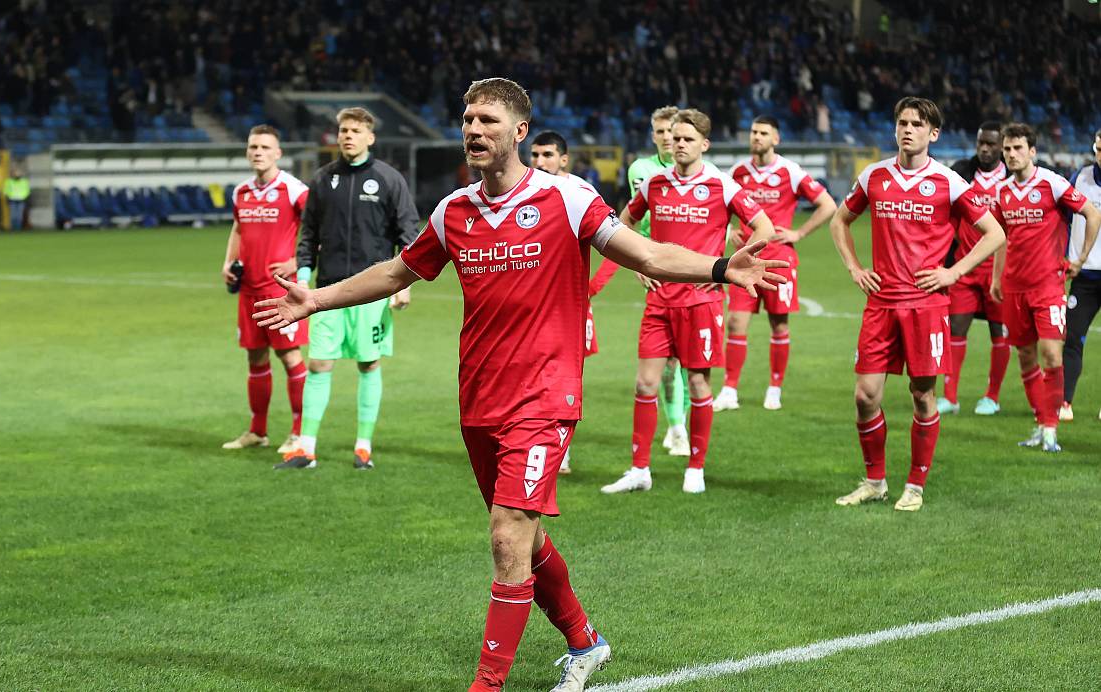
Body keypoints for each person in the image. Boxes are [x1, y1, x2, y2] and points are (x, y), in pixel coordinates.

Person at [251, 76, 786, 692]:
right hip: (479, 397)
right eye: (467, 119)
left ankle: (488, 683)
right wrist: (315, 299)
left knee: (507, 533)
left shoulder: (568, 198)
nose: (473, 130)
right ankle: (585, 642)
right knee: (525, 539)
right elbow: (401, 269)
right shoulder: (453, 212)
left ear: (520, 131)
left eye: (487, 121)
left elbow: (646, 255)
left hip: (545, 394)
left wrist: (721, 268)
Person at [830, 96, 1005, 512]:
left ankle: (915, 484)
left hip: (926, 306)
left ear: (933, 133)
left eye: (917, 124)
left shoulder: (950, 182)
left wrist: (953, 273)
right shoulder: (874, 176)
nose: (908, 129)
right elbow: (840, 221)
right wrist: (855, 268)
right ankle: (875, 481)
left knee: (922, 396)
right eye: (902, 123)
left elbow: (995, 234)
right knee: (864, 396)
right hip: (881, 304)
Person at [601, 108, 774, 496]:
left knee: (697, 384)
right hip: (659, 301)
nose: (677, 144)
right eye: (674, 138)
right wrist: (636, 264)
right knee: (645, 382)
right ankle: (639, 469)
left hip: (701, 301)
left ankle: (695, 467)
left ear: (704, 145)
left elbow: (764, 226)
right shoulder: (654, 183)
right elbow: (622, 224)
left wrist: (735, 263)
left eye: (687, 139)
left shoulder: (722, 185)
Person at [284, 107, 420, 470]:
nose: (348, 136)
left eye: (356, 131)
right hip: (326, 290)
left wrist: (403, 284)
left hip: (371, 291)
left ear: (370, 137)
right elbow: (308, 235)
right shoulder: (322, 180)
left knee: (368, 363)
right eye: (344, 130)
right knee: (318, 364)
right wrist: (302, 280)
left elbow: (409, 235)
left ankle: (363, 447)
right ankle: (306, 449)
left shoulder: (389, 180)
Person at [715, 115, 837, 411]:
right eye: (754, 132)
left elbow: (828, 205)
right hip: (745, 260)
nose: (756, 137)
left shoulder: (790, 171)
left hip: (779, 260)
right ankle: (730, 390)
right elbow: (723, 206)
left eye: (763, 133)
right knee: (735, 323)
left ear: (776, 139)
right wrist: (729, 229)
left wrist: (800, 232)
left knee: (779, 325)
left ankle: (775, 387)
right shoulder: (738, 171)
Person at [991, 122, 1100, 452]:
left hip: (1048, 286)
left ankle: (1051, 428)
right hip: (1014, 286)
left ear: (1032, 151)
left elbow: (1091, 214)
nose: (1011, 154)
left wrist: (1080, 258)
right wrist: (996, 278)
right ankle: (1040, 423)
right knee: (1025, 357)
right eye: (1007, 149)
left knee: (1052, 354)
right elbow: (999, 238)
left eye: (1018, 148)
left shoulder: (1051, 183)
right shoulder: (1001, 192)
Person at [591, 106, 692, 457]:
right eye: (661, 131)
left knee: (686, 363)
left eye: (673, 132)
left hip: (685, 265)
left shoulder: (698, 173)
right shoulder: (643, 171)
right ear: (653, 135)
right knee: (666, 364)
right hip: (650, 261)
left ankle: (680, 425)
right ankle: (678, 428)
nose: (667, 137)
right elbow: (630, 219)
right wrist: (639, 264)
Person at [220, 125, 311, 455]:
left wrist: (295, 261)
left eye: (264, 147)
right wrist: (228, 262)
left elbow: (317, 229)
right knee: (255, 358)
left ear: (278, 153)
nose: (257, 151)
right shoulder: (241, 192)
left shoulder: (294, 189)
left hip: (282, 293)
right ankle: (257, 431)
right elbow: (237, 229)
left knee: (290, 358)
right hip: (249, 291)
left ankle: (300, 432)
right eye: (252, 146)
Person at [530, 130, 594, 474]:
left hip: (570, 308)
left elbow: (610, 240)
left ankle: (560, 451)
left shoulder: (580, 192)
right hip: (533, 308)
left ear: (563, 159)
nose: (540, 162)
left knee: (566, 378)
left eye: (548, 155)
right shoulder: (522, 190)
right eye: (535, 155)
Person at [938, 122, 1010, 416]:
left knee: (999, 333)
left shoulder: (1011, 179)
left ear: (1002, 146)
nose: (984, 148)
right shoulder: (962, 175)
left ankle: (992, 397)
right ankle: (950, 397)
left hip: (999, 269)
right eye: (981, 142)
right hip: (965, 267)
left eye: (991, 144)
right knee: (955, 329)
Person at [1060, 129, 1101, 422]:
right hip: (1084, 276)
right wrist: (1065, 255)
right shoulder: (1080, 177)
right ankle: (1065, 403)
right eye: (1099, 148)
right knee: (1072, 337)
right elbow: (1062, 217)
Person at [3, 166, 31, 231]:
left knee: (19, 215)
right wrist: (7, 197)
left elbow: (27, 190)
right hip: (12, 200)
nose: (17, 174)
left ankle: (18, 228)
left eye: (18, 173)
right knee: (13, 215)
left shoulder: (24, 181)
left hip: (21, 200)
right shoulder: (9, 181)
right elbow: (6, 190)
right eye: (15, 173)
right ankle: (13, 228)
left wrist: (26, 198)